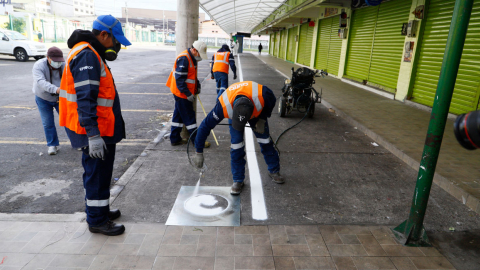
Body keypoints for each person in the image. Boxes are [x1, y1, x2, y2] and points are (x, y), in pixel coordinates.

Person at [59, 15, 131, 236]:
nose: (116, 46)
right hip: (94, 130)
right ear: (104, 35)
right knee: (96, 173)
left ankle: (101, 210)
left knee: (102, 173)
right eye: (115, 40)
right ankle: (97, 220)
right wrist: (93, 135)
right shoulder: (88, 56)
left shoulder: (91, 53)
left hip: (101, 128)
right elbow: (85, 98)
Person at [193, 81, 285, 195]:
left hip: (256, 113)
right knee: (236, 145)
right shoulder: (223, 106)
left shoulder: (263, 95)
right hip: (235, 112)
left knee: (265, 141)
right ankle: (238, 180)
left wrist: (262, 117)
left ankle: (274, 170)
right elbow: (205, 126)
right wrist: (198, 151)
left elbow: (272, 101)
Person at [166, 40, 210, 148]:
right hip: (181, 93)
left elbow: (191, 76)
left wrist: (197, 85)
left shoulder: (191, 58)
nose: (200, 57)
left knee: (178, 117)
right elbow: (180, 80)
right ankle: (197, 142)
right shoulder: (184, 58)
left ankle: (175, 139)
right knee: (190, 118)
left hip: (182, 92)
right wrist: (188, 94)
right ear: (194, 50)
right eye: (200, 54)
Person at [32, 46, 66, 155]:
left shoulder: (64, 65)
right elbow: (40, 82)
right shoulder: (39, 65)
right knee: (47, 123)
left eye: (59, 61)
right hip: (43, 98)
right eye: (55, 61)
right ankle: (52, 145)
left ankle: (77, 142)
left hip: (61, 97)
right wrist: (56, 89)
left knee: (68, 120)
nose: (58, 63)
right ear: (48, 58)